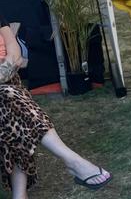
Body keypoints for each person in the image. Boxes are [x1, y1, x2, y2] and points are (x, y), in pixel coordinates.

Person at [0, 15, 112, 197]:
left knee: (10, 106)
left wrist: (5, 70)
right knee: (12, 101)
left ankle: (20, 194)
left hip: (7, 80)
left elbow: (15, 53)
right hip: (8, 89)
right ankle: (71, 160)